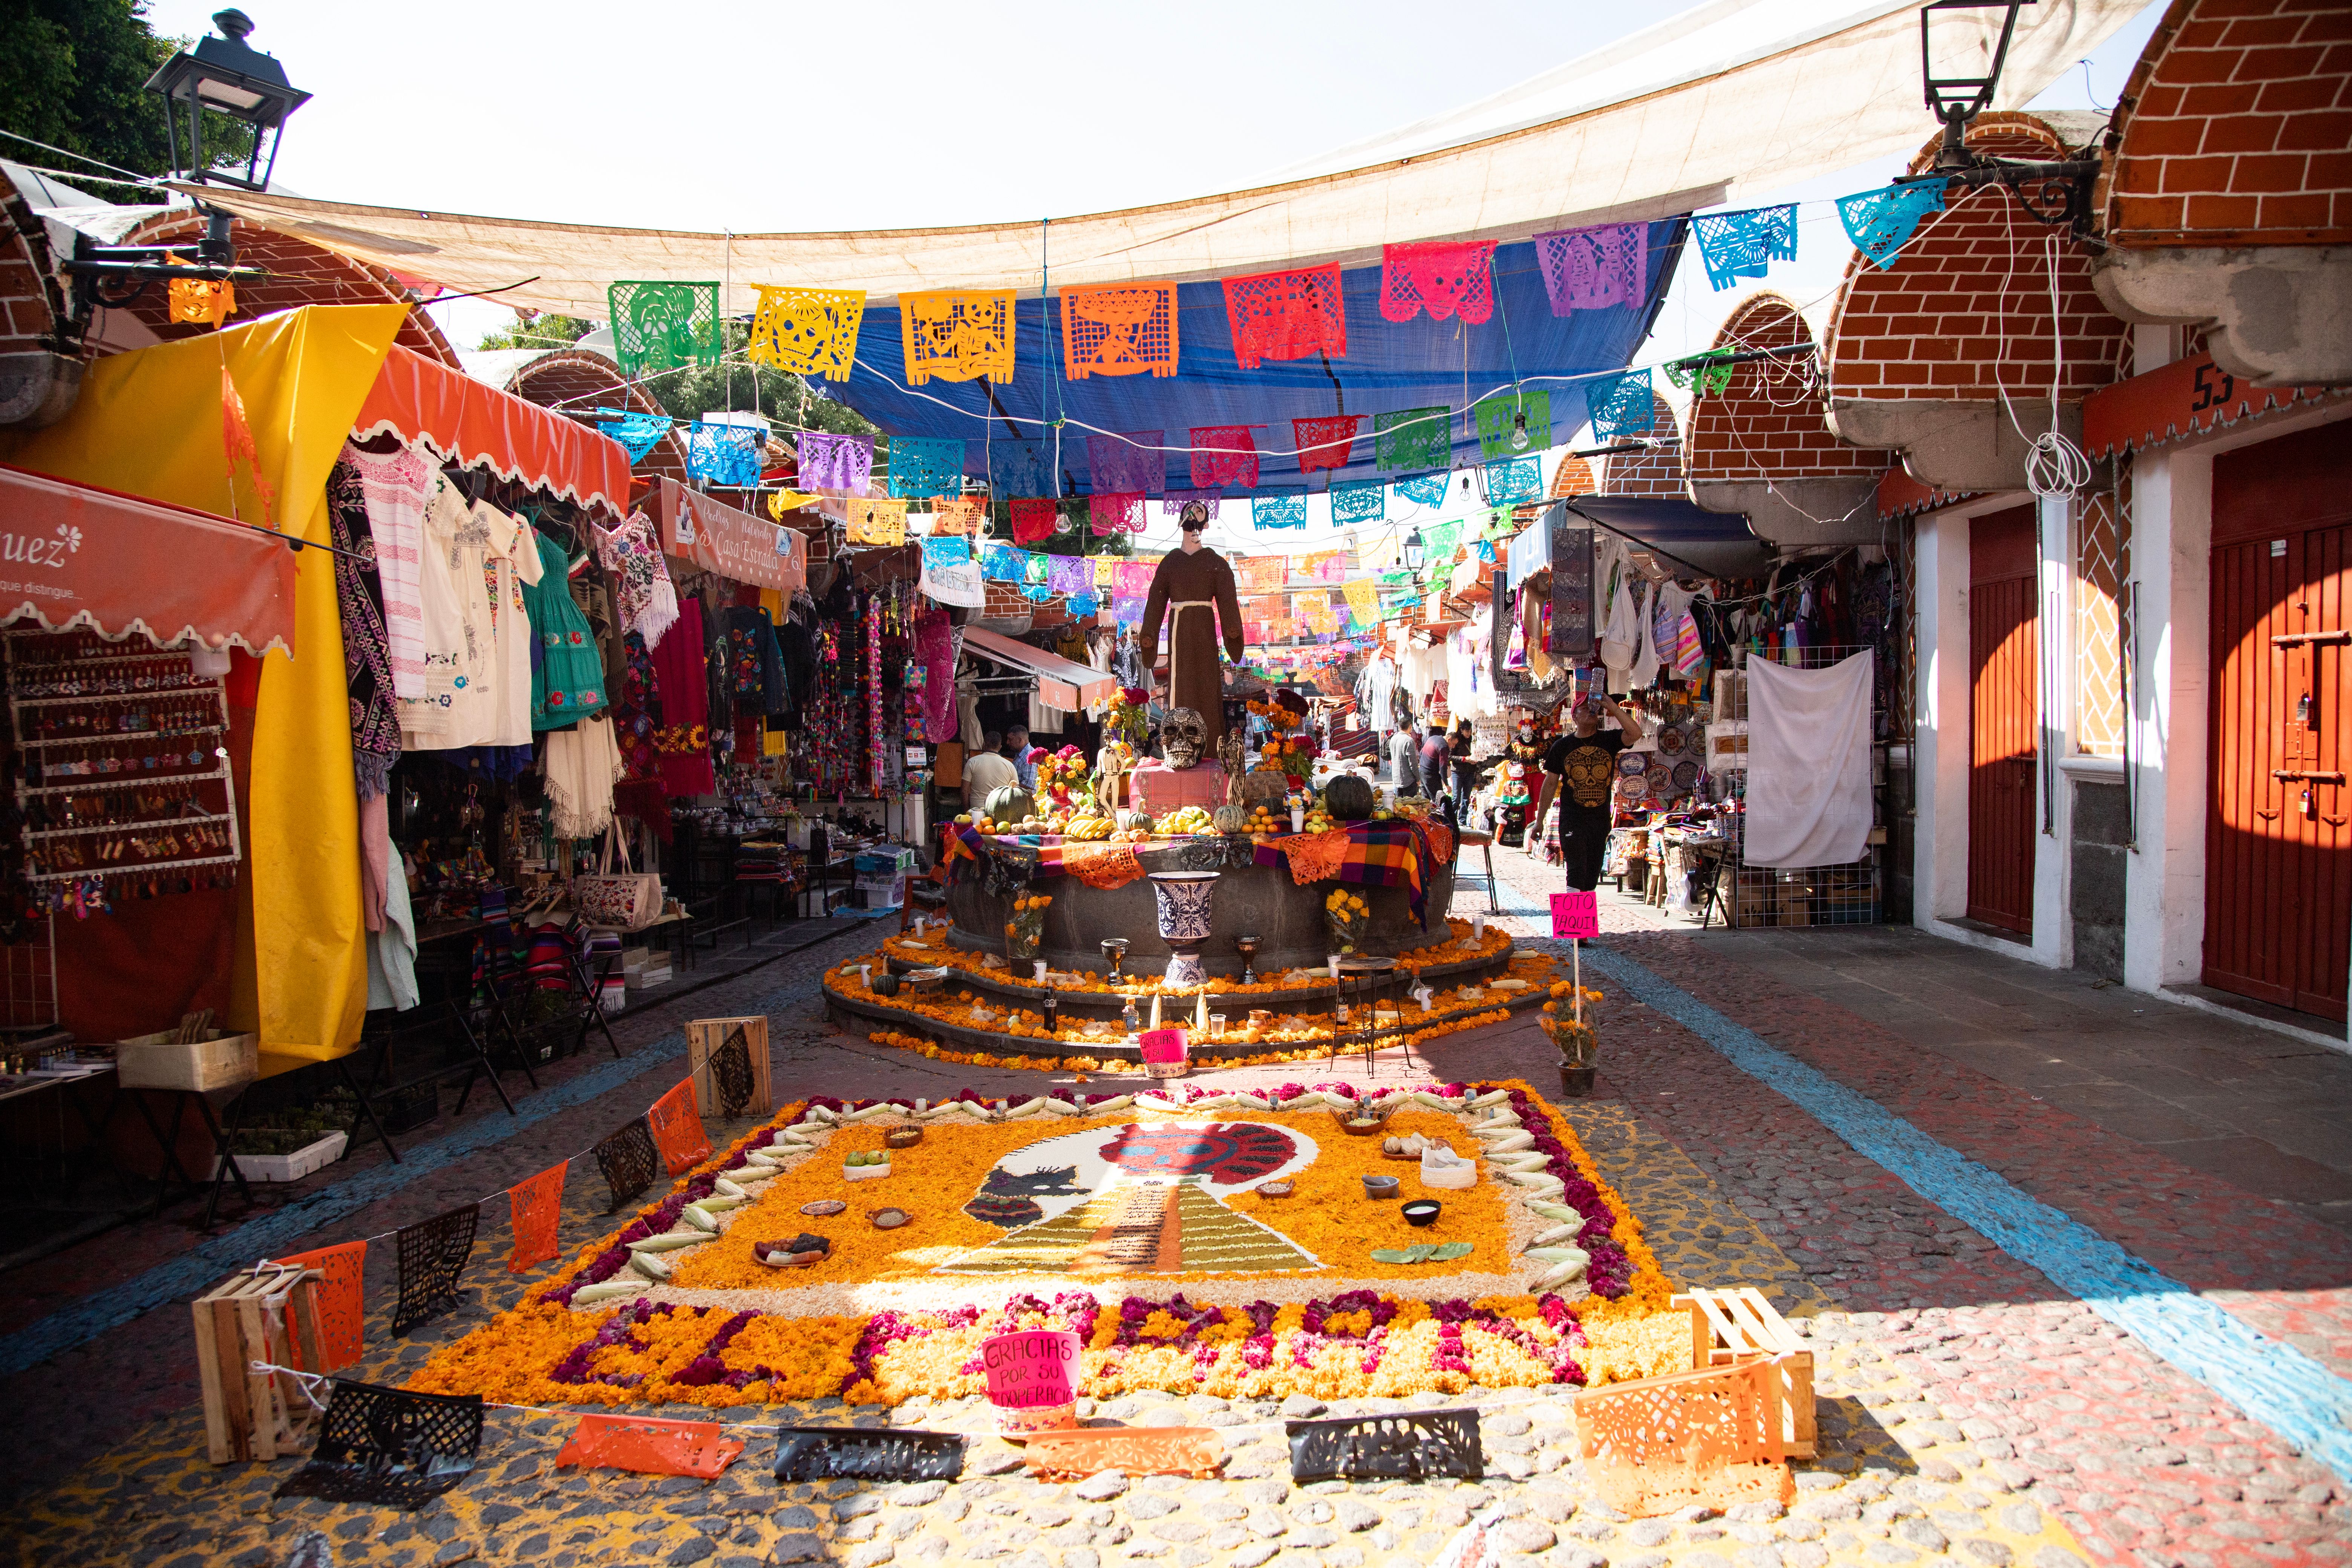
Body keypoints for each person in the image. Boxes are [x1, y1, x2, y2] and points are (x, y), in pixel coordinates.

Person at [1140, 501, 1245, 756]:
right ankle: (1181, 749)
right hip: (1179, 631)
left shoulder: (1215, 562)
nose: (1193, 515)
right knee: (1182, 684)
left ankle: (1210, 749)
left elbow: (1228, 599)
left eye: (1199, 512)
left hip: (1205, 630)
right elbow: (1155, 600)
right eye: (1190, 511)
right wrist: (1149, 635)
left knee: (1208, 683)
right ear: (1180, 521)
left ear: (1206, 524)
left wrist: (1232, 628)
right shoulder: (1170, 563)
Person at [1532, 692, 1647, 895]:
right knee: (1576, 871)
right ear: (1574, 716)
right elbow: (1550, 785)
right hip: (1573, 819)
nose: (1592, 710)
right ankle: (1574, 923)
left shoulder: (1608, 740)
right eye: (1585, 708)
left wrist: (1612, 706)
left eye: (1595, 707)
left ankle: (1583, 922)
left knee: (1591, 875)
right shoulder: (1562, 746)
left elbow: (1635, 733)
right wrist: (1539, 821)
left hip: (1600, 819)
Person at [962, 729, 1018, 802]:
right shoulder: (1010, 765)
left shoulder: (972, 762)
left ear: (984, 745)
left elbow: (964, 791)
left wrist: (967, 811)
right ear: (1000, 747)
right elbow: (1017, 792)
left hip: (977, 810)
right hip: (999, 810)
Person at [1448, 720, 1481, 808]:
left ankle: (1463, 820)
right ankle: (1453, 819)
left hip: (1470, 771)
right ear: (1462, 730)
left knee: (1467, 797)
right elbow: (1450, 757)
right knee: (1456, 797)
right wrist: (1464, 759)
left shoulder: (1474, 740)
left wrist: (1477, 759)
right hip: (1458, 772)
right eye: (1467, 731)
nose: (1469, 734)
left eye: (1470, 731)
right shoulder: (1457, 740)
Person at [1389, 724, 1421, 796]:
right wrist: (1418, 778)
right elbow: (1413, 763)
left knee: (1399, 805)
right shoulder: (1409, 740)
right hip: (1409, 780)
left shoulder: (1393, 739)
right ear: (1410, 726)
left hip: (1397, 778)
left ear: (1400, 727)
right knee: (1409, 805)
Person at [1419, 727, 1450, 802]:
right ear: (1449, 740)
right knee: (1439, 800)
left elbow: (1421, 753)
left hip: (1422, 771)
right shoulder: (1444, 746)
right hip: (1431, 775)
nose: (1453, 747)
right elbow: (1443, 767)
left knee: (1425, 799)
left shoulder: (1432, 738)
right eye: (1454, 744)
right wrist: (1446, 784)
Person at [1004, 724, 1037, 791]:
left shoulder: (1030, 756)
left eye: (1010, 740)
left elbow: (1029, 786)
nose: (1007, 742)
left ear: (1020, 740)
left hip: (1025, 799)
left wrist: (1006, 788)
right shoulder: (1020, 753)